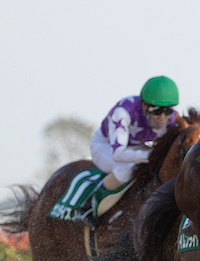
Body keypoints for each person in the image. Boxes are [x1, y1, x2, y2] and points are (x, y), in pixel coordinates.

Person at [72, 75, 179, 227]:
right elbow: (118, 153)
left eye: (167, 111)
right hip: (106, 146)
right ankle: (88, 207)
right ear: (144, 106)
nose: (162, 118)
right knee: (127, 169)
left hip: (139, 148)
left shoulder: (173, 119)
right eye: (157, 111)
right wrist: (152, 156)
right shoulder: (123, 112)